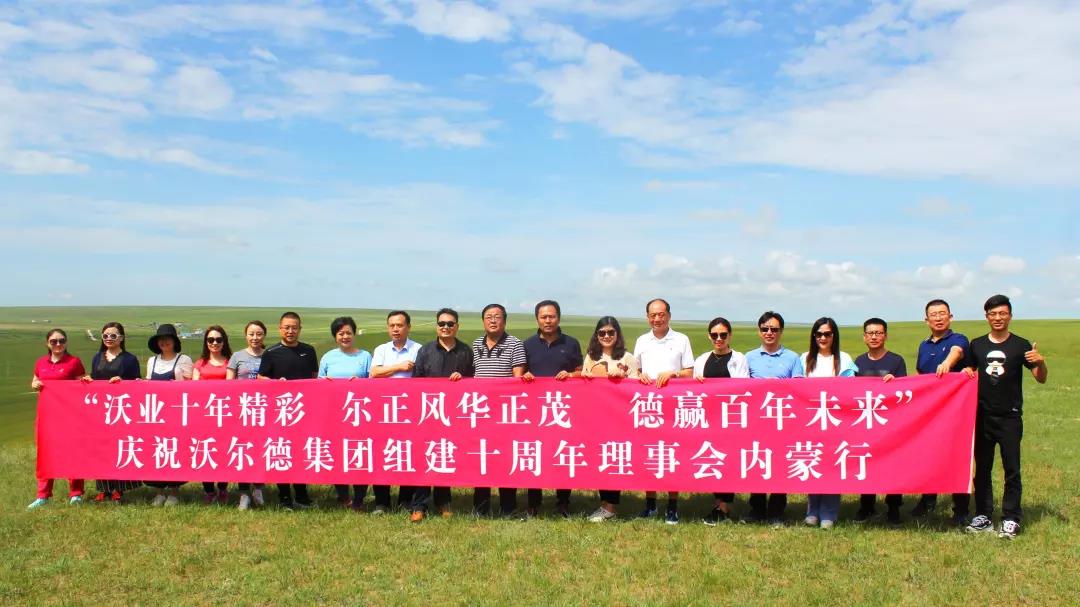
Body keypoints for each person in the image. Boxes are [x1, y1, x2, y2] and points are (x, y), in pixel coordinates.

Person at [963, 294, 1047, 539]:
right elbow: (969, 371)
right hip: (982, 416)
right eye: (993, 314)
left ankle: (1011, 518)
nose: (998, 317)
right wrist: (967, 370)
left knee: (1012, 468)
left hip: (1010, 417)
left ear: (1010, 315)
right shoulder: (977, 345)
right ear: (986, 316)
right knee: (983, 468)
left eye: (1002, 313)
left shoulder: (1020, 345)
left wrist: (1041, 362)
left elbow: (1040, 378)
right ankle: (983, 515)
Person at [409, 308, 475, 522]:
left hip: (453, 415)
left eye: (450, 324)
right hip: (428, 413)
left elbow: (473, 382)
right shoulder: (425, 350)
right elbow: (416, 380)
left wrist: (462, 379)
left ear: (457, 326)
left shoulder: (465, 351)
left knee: (445, 454)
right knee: (424, 456)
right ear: (436, 326)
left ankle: (443, 501)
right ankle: (419, 505)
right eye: (442, 324)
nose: (445, 327)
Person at [633, 298, 694, 524]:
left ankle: (672, 506)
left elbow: (689, 371)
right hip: (648, 407)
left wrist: (673, 374)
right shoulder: (642, 340)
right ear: (647, 317)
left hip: (673, 406)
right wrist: (639, 375)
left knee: (671, 454)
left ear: (669, 315)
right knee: (649, 453)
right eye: (653, 315)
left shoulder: (681, 339)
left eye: (661, 314)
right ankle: (650, 504)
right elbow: (635, 369)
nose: (657, 319)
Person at [911, 299, 971, 526]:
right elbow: (920, 375)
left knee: (957, 457)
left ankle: (961, 508)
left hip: (954, 412)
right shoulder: (923, 345)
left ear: (950, 317)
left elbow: (957, 352)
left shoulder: (958, 339)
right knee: (928, 455)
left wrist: (947, 363)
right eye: (933, 315)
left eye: (942, 313)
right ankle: (928, 500)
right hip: (929, 412)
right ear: (926, 320)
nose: (938, 318)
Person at [521, 300, 583, 518]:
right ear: (537, 319)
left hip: (562, 410)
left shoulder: (571, 343)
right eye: (543, 317)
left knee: (563, 453)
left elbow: (581, 372)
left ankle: (563, 502)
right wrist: (526, 376)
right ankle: (533, 503)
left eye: (552, 316)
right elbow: (519, 373)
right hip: (535, 411)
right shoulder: (527, 344)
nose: (548, 320)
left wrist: (571, 375)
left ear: (559, 317)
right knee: (534, 453)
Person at [745, 311, 804, 526]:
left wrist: (778, 386)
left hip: (782, 420)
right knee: (757, 461)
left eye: (774, 329)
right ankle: (757, 509)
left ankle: (777, 510)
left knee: (780, 464)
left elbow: (799, 388)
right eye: (765, 329)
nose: (769, 333)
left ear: (781, 332)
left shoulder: (793, 358)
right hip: (756, 420)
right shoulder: (748, 357)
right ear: (759, 331)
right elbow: (739, 388)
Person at [258, 312, 318, 510]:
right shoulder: (271, 352)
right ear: (280, 329)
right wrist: (276, 383)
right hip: (280, 413)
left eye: (294, 327)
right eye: (286, 327)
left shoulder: (309, 351)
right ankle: (284, 497)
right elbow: (260, 378)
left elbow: (314, 378)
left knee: (301, 452)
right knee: (281, 451)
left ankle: (301, 495)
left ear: (300, 329)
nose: (290, 331)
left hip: (303, 412)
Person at [692, 317, 749, 525]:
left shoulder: (739, 358)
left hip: (730, 418)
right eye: (715, 335)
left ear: (730, 336)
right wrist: (697, 383)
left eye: (723, 335)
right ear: (709, 336)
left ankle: (723, 507)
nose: (719, 338)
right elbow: (693, 390)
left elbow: (742, 387)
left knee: (728, 459)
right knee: (714, 458)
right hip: (708, 418)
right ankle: (718, 502)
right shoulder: (701, 360)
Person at [800, 317, 856, 530]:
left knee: (832, 465)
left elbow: (851, 389)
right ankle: (812, 511)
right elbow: (796, 387)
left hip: (835, 421)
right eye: (819, 334)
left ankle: (829, 514)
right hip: (811, 421)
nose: (823, 338)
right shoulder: (804, 358)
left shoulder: (844, 359)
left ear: (834, 336)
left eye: (827, 334)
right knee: (813, 462)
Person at [471, 303, 527, 517]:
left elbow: (517, 379)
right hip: (480, 412)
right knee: (481, 456)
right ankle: (481, 507)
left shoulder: (515, 344)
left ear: (505, 320)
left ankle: (508, 508)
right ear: (483, 321)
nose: (493, 320)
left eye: (497, 316)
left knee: (505, 459)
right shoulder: (476, 343)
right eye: (488, 317)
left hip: (505, 412)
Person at [583, 317, 640, 522]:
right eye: (602, 333)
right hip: (598, 416)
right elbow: (585, 382)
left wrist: (621, 378)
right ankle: (605, 503)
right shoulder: (591, 357)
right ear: (597, 335)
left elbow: (636, 388)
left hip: (620, 417)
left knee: (614, 457)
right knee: (601, 458)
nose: (606, 336)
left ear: (617, 334)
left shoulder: (628, 358)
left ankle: (609, 507)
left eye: (610, 332)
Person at [317, 316, 376, 511]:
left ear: (354, 334)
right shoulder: (328, 357)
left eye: (348, 333)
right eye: (340, 333)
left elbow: (374, 384)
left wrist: (361, 384)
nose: (345, 337)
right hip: (333, 415)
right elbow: (318, 384)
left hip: (359, 414)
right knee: (337, 453)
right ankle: (343, 496)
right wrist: (325, 383)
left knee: (360, 452)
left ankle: (359, 498)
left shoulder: (365, 356)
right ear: (335, 336)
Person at [853, 317, 907, 524]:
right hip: (866, 421)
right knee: (867, 461)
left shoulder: (896, 361)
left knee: (893, 464)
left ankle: (894, 507)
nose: (874, 337)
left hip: (890, 422)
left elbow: (906, 391)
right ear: (864, 337)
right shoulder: (858, 362)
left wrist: (895, 383)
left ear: (885, 335)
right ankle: (866, 505)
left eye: (878, 333)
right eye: (870, 333)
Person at [27, 329, 88, 510]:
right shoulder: (40, 363)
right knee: (45, 454)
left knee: (72, 452)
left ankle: (76, 494)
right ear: (47, 343)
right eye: (54, 341)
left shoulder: (74, 362)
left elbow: (81, 384)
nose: (58, 344)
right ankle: (43, 496)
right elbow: (35, 380)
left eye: (61, 340)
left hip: (69, 416)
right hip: (46, 416)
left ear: (66, 342)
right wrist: (34, 384)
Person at [368, 311, 422, 512]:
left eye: (400, 325)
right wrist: (399, 367)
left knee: (408, 452)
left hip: (411, 410)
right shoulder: (381, 349)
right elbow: (374, 373)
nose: (396, 329)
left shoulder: (418, 349)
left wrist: (388, 370)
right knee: (382, 453)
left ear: (408, 327)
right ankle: (382, 502)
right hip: (384, 410)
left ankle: (405, 500)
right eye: (392, 326)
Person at [89, 321, 142, 504]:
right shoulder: (97, 357)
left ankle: (119, 488)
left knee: (119, 447)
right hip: (101, 410)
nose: (109, 338)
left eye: (113, 335)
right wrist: (89, 380)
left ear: (121, 338)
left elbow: (137, 383)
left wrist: (123, 381)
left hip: (121, 410)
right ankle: (103, 488)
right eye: (105, 335)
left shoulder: (130, 359)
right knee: (101, 448)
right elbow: (94, 378)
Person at [143, 324, 193, 507]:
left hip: (176, 413)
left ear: (174, 341)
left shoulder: (184, 359)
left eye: (168, 338)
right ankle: (159, 492)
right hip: (156, 413)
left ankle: (174, 491)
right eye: (160, 339)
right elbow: (149, 383)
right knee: (157, 449)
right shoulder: (152, 361)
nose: (164, 342)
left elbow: (191, 385)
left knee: (174, 450)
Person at [227, 320, 268, 510]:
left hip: (263, 411)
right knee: (242, 450)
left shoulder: (269, 355)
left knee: (260, 450)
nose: (255, 337)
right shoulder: (237, 356)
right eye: (251, 334)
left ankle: (258, 488)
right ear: (246, 335)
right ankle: (243, 493)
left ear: (264, 335)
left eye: (259, 334)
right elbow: (228, 383)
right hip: (241, 411)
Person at [194, 326, 232, 504]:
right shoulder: (200, 363)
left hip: (224, 414)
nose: (214, 343)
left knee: (224, 451)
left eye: (218, 339)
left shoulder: (230, 362)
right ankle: (208, 490)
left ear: (224, 342)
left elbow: (233, 387)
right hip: (204, 415)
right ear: (206, 342)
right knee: (205, 449)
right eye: (210, 340)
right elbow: (193, 389)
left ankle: (223, 487)